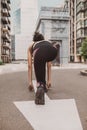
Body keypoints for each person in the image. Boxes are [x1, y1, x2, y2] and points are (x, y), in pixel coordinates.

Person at [28, 32, 58, 105]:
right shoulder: (46, 42)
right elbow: (49, 65)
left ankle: (40, 85)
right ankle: (44, 85)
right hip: (53, 50)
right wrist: (49, 80)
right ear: (43, 39)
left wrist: (30, 82)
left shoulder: (31, 45)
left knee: (39, 68)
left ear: (34, 40)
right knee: (43, 61)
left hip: (39, 52)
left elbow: (29, 65)